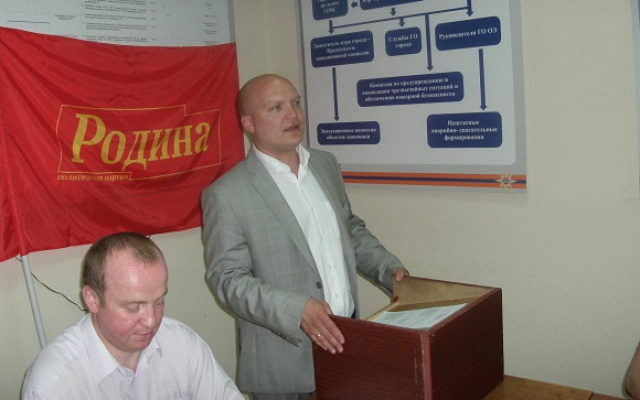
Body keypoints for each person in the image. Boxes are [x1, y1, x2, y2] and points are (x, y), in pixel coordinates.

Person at [201, 73, 409, 400]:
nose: (293, 114)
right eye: (276, 107)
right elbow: (228, 279)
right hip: (282, 365)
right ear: (249, 123)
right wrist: (297, 310)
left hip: (345, 344)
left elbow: (348, 230)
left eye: (295, 102)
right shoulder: (226, 194)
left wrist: (389, 270)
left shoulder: (325, 164)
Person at [22, 232, 244, 400]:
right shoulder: (55, 384)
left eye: (159, 301)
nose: (151, 321)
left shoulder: (181, 343)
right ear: (92, 299)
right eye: (133, 307)